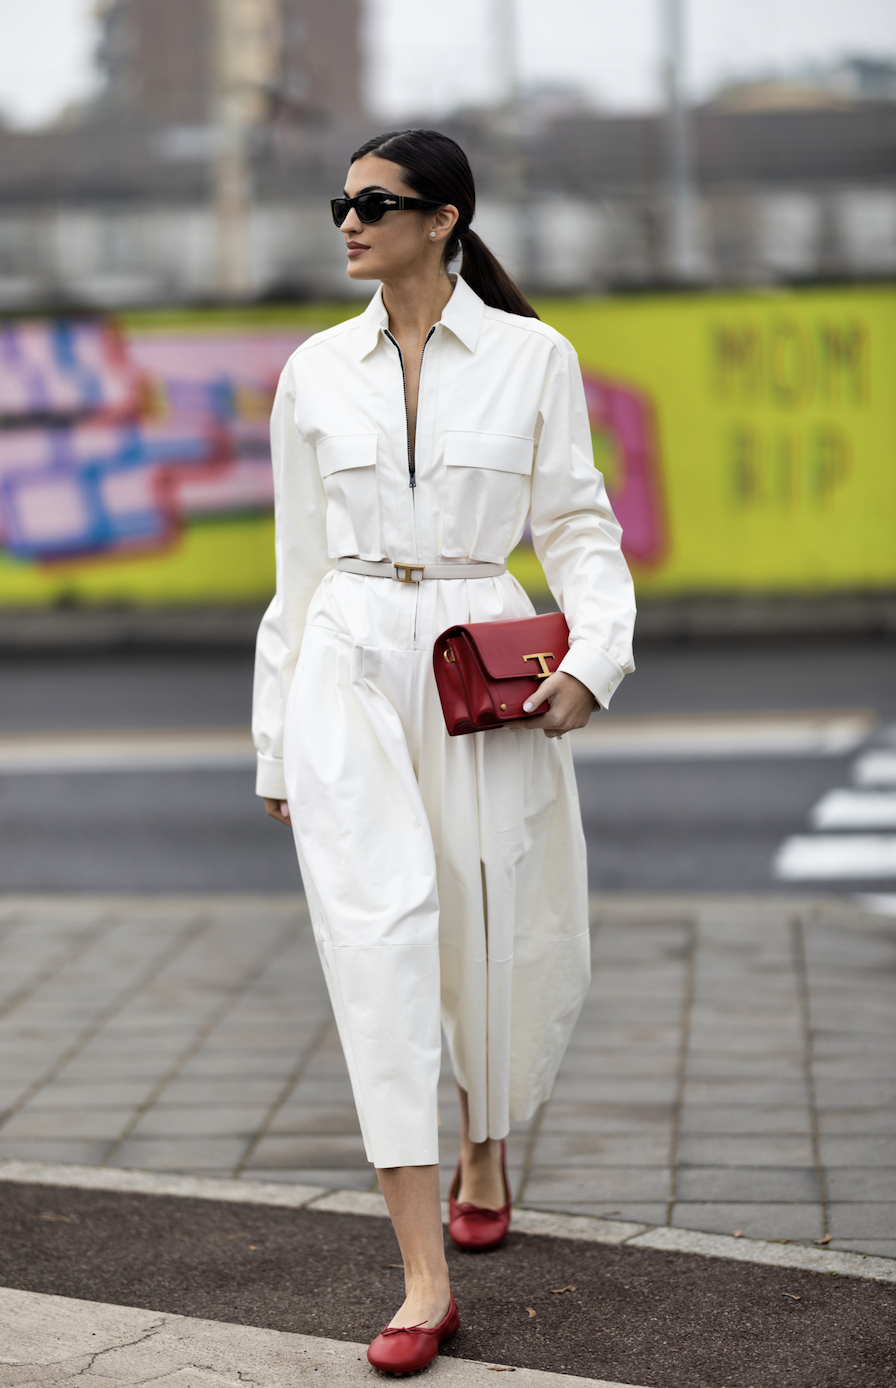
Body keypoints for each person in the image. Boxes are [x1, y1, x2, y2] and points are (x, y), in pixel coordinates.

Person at [253, 128, 635, 1375]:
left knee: (495, 925)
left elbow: (577, 522)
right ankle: (422, 1278)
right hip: (347, 664)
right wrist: (274, 744)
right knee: (378, 939)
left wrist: (593, 657)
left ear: (443, 218)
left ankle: (487, 1135)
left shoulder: (531, 357)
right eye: (341, 203)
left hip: (481, 667)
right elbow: (296, 570)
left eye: (374, 203)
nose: (348, 222)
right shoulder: (313, 371)